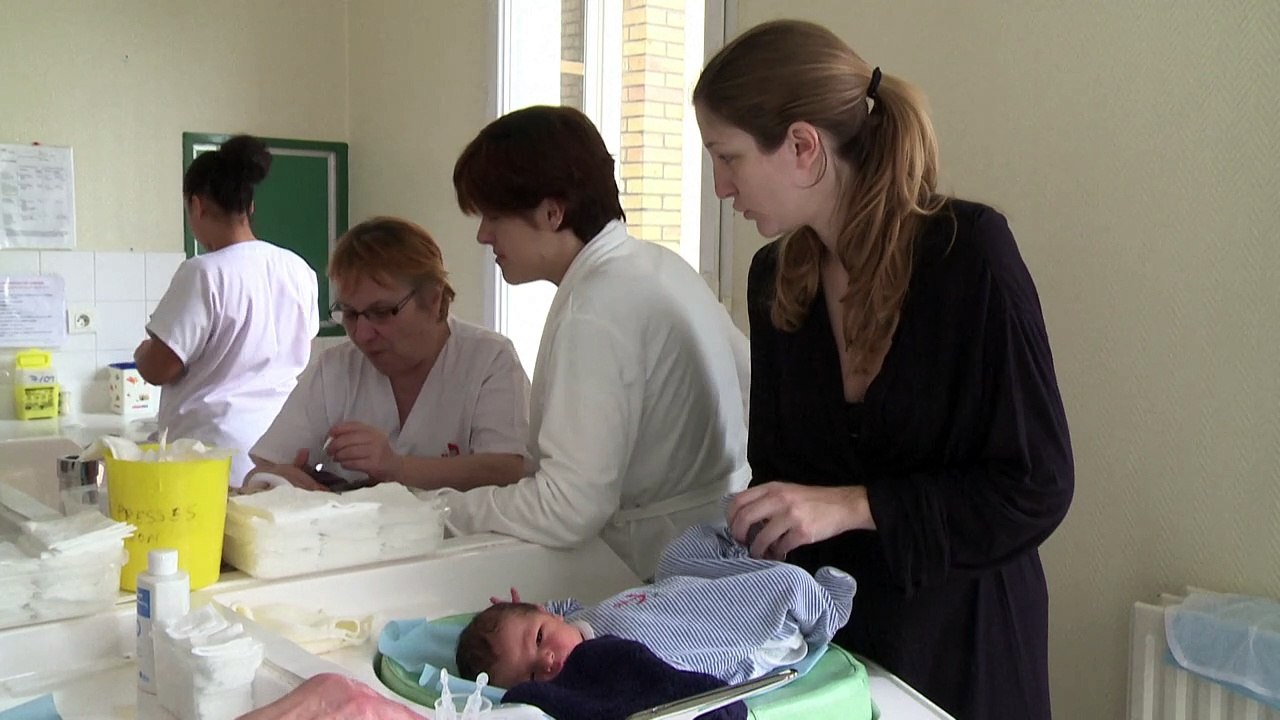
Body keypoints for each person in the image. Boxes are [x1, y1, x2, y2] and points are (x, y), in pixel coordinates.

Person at [692, 19, 1074, 720]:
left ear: (803, 147)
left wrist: (853, 505)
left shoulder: (971, 259)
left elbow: (1036, 488)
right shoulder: (775, 278)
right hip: (834, 647)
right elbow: (781, 474)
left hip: (968, 650)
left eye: (728, 157)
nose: (719, 186)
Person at [444, 105, 751, 580]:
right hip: (714, 548)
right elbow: (750, 392)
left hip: (653, 567)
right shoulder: (659, 266)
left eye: (494, 216)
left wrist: (443, 513)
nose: (484, 236)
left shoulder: (595, 307)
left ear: (552, 212)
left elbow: (567, 507)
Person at [248, 216, 530, 493]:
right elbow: (263, 468)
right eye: (350, 313)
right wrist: (280, 480)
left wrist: (397, 469)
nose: (362, 334)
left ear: (434, 299)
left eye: (381, 313)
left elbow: (506, 469)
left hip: (462, 536)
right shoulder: (336, 368)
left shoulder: (489, 359)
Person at [456, 523, 854, 689]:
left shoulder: (574, 616)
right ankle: (823, 607)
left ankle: (738, 547)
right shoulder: (594, 677)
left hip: (680, 597)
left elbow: (557, 608)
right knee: (787, 585)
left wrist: (520, 609)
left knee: (677, 557)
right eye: (530, 675)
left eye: (540, 638)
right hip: (707, 637)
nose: (546, 660)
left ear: (549, 614)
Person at [134, 134, 319, 488]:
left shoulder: (204, 272)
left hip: (211, 457)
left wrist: (143, 353)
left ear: (197, 205)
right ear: (250, 207)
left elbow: (159, 367)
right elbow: (299, 349)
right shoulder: (298, 269)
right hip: (277, 453)